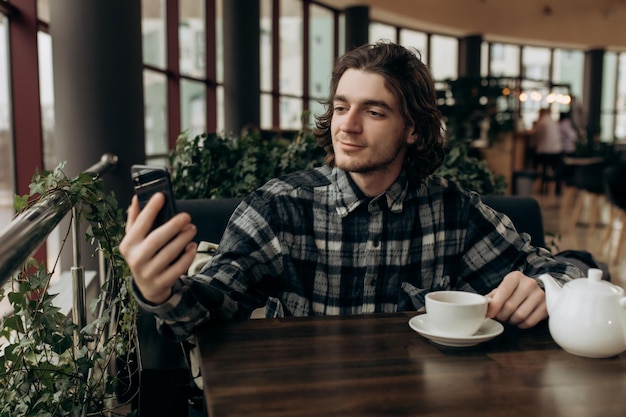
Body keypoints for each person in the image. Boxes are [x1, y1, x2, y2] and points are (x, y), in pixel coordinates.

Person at [120, 41, 583, 342]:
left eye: (374, 112)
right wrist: (160, 293)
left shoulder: (453, 211)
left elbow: (571, 270)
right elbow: (208, 311)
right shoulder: (280, 207)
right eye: (341, 107)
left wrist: (546, 287)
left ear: (414, 131)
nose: (348, 125)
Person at [533, 108, 563, 194]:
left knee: (540, 165)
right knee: (556, 170)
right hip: (557, 150)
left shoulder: (542, 122)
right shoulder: (554, 122)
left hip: (546, 151)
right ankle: (558, 188)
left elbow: (537, 136)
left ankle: (543, 188)